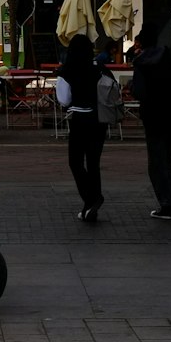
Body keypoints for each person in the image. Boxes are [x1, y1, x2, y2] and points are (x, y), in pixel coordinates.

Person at [131, 23, 171, 219]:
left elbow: (138, 91)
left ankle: (166, 202)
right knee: (169, 158)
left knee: (156, 160)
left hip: (153, 116)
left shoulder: (141, 63)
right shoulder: (169, 57)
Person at [56, 34, 109, 223]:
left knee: (76, 162)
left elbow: (64, 99)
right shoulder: (100, 69)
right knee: (93, 162)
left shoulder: (67, 70)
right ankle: (91, 203)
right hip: (100, 119)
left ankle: (91, 198)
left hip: (79, 119)